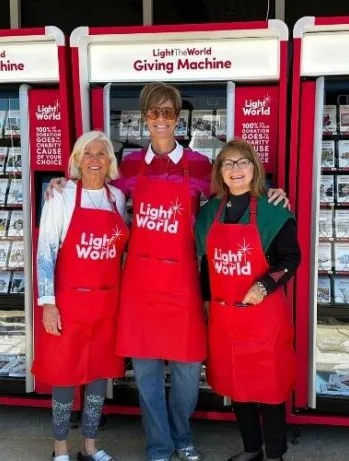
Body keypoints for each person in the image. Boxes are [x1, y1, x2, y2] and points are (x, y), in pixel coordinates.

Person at [45, 82, 288, 461]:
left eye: (169, 113)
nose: (161, 120)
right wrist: (62, 181)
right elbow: (92, 185)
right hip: (139, 285)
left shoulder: (200, 165)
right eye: (154, 113)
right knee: (146, 377)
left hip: (184, 283)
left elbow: (233, 197)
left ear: (178, 118)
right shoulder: (125, 166)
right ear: (145, 118)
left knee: (189, 372)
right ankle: (159, 445)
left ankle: (183, 436)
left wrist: (272, 193)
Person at [195, 140, 300, 461]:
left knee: (268, 386)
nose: (235, 169)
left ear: (254, 169)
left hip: (263, 317)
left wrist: (265, 285)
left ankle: (275, 453)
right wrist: (205, 302)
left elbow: (290, 258)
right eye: (227, 164)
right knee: (236, 383)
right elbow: (204, 264)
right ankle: (251, 449)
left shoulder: (272, 210)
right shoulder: (209, 212)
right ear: (220, 172)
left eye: (242, 163)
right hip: (225, 318)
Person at [33, 131, 129, 461]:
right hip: (69, 304)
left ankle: (90, 446)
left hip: (107, 304)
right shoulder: (60, 196)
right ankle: (60, 447)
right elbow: (45, 253)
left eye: (101, 154)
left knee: (99, 376)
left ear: (110, 162)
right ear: (76, 159)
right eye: (87, 153)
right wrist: (48, 303)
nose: (94, 159)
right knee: (64, 375)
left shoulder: (117, 198)